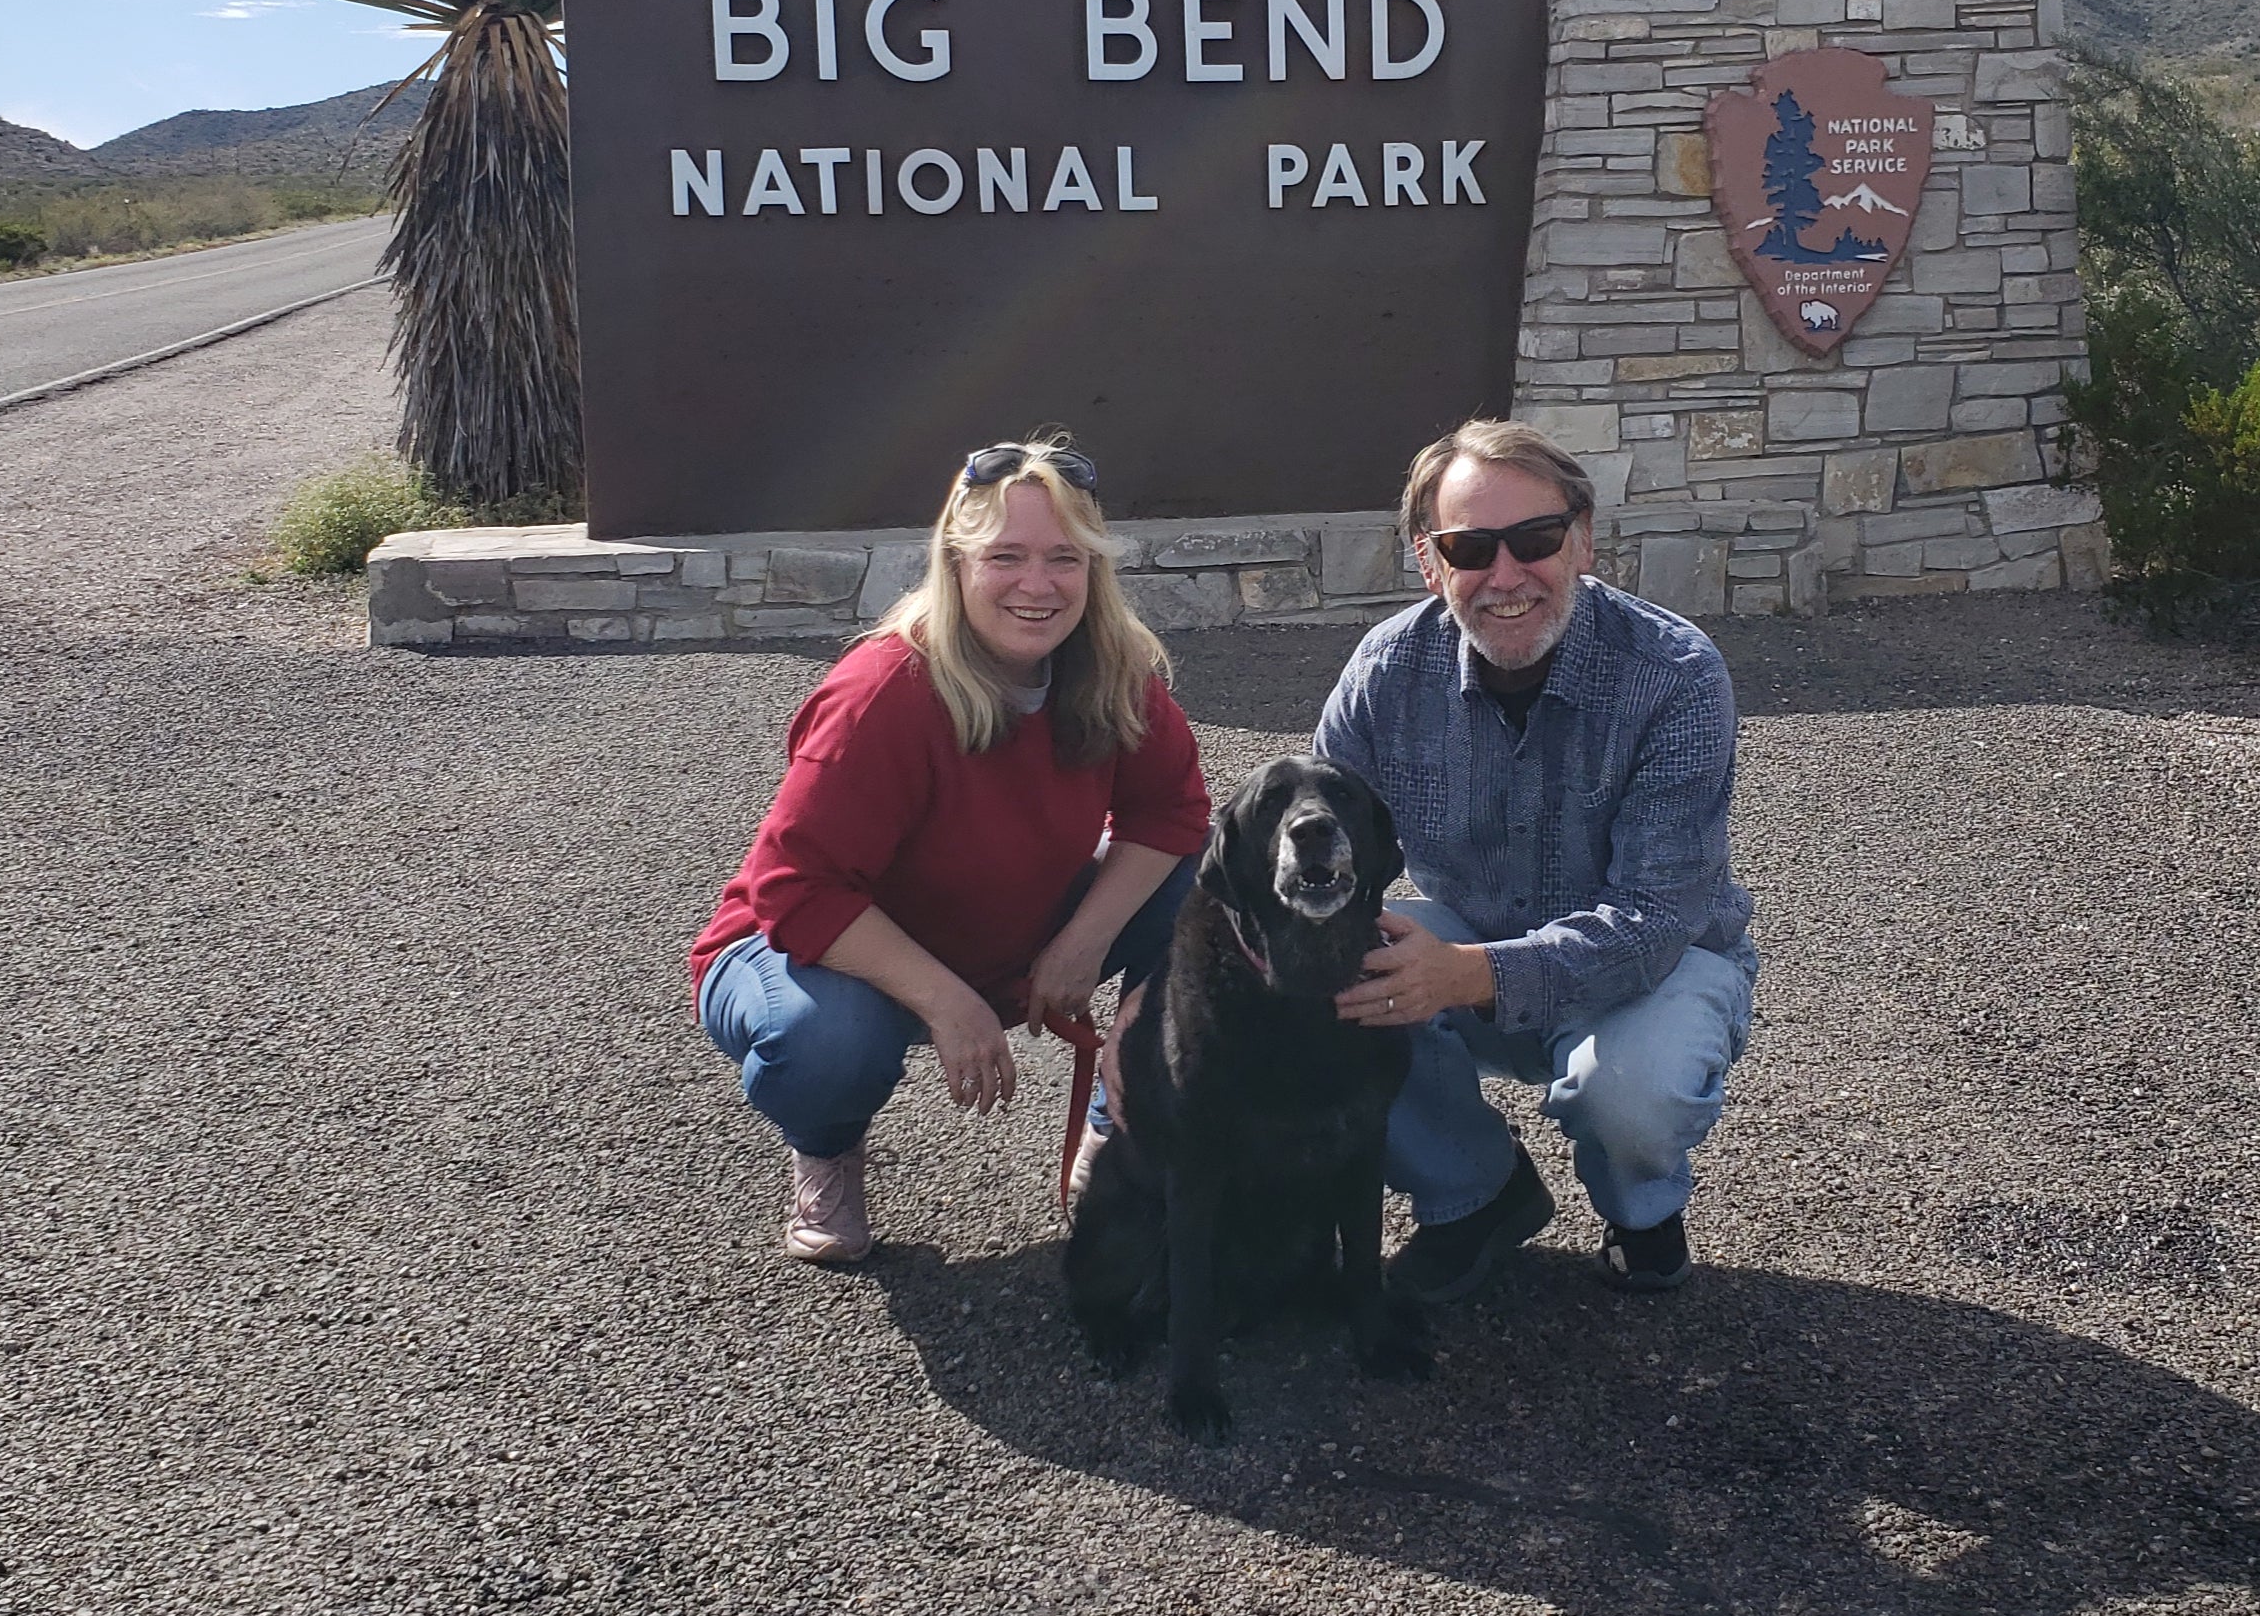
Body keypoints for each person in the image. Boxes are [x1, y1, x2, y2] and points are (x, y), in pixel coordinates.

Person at [690, 438, 1210, 1264]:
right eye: (1005, 555)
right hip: (806, 948)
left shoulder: (1115, 672)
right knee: (827, 1042)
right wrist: (948, 1000)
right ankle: (825, 1147)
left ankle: (1126, 1112)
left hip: (1003, 936)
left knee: (1208, 896)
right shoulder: (885, 691)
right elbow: (798, 888)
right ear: (956, 561)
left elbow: (1173, 814)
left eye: (1062, 558)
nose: (1037, 585)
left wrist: (1086, 942)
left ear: (1094, 570)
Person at [1313, 418, 1759, 1297]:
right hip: (1469, 936)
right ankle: (1475, 1192)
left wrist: (1466, 975)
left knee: (1630, 1092)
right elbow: (1318, 849)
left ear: (1584, 539)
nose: (1507, 575)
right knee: (1322, 980)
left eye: (1537, 538)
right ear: (1429, 560)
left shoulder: (1675, 673)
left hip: (1654, 964)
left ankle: (1641, 1208)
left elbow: (1657, 917)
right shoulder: (1384, 673)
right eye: (1471, 546)